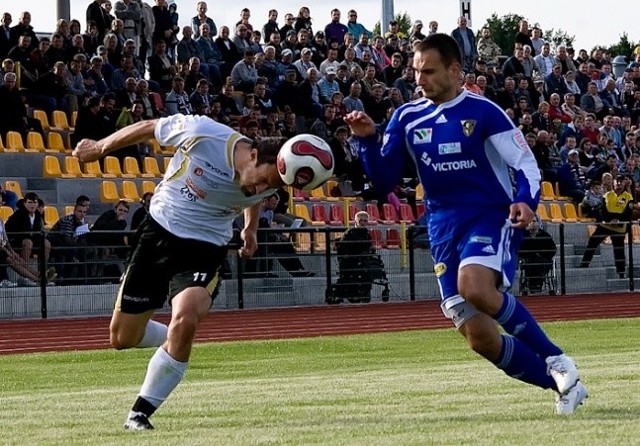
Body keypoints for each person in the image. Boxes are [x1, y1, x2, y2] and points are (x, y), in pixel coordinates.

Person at [344, 33, 587, 415]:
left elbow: (525, 164)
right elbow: (384, 182)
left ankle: (557, 358)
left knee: (474, 286)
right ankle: (563, 387)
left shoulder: (485, 112)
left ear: (456, 71)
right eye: (415, 72)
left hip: (489, 215)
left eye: (428, 72)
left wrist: (525, 200)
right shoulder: (406, 118)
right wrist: (368, 142)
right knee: (481, 340)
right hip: (441, 227)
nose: (419, 80)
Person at [72, 114, 286, 430]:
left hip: (206, 248)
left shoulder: (268, 177)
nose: (262, 190)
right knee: (122, 338)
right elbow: (148, 127)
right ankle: (174, 338)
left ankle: (139, 414)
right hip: (158, 234)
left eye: (271, 188)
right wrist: (100, 147)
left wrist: (250, 229)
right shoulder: (204, 134)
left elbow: (255, 195)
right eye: (264, 179)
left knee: (186, 316)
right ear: (253, 155)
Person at [580, 175, 633, 278]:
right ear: (613, 183)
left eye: (621, 182)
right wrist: (610, 220)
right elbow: (602, 210)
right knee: (593, 242)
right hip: (606, 225)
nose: (619, 184)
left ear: (624, 184)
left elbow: (628, 213)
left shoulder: (628, 197)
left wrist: (618, 220)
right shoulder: (607, 195)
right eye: (617, 181)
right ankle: (584, 264)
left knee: (619, 249)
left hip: (620, 227)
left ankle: (621, 273)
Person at [518, 219, 556, 294]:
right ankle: (530, 285)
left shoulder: (545, 235)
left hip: (542, 258)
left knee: (540, 263)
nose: (532, 223)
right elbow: (519, 250)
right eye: (530, 222)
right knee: (528, 263)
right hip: (529, 258)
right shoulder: (524, 236)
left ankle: (537, 285)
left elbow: (552, 249)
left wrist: (541, 254)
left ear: (538, 223)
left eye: (534, 221)